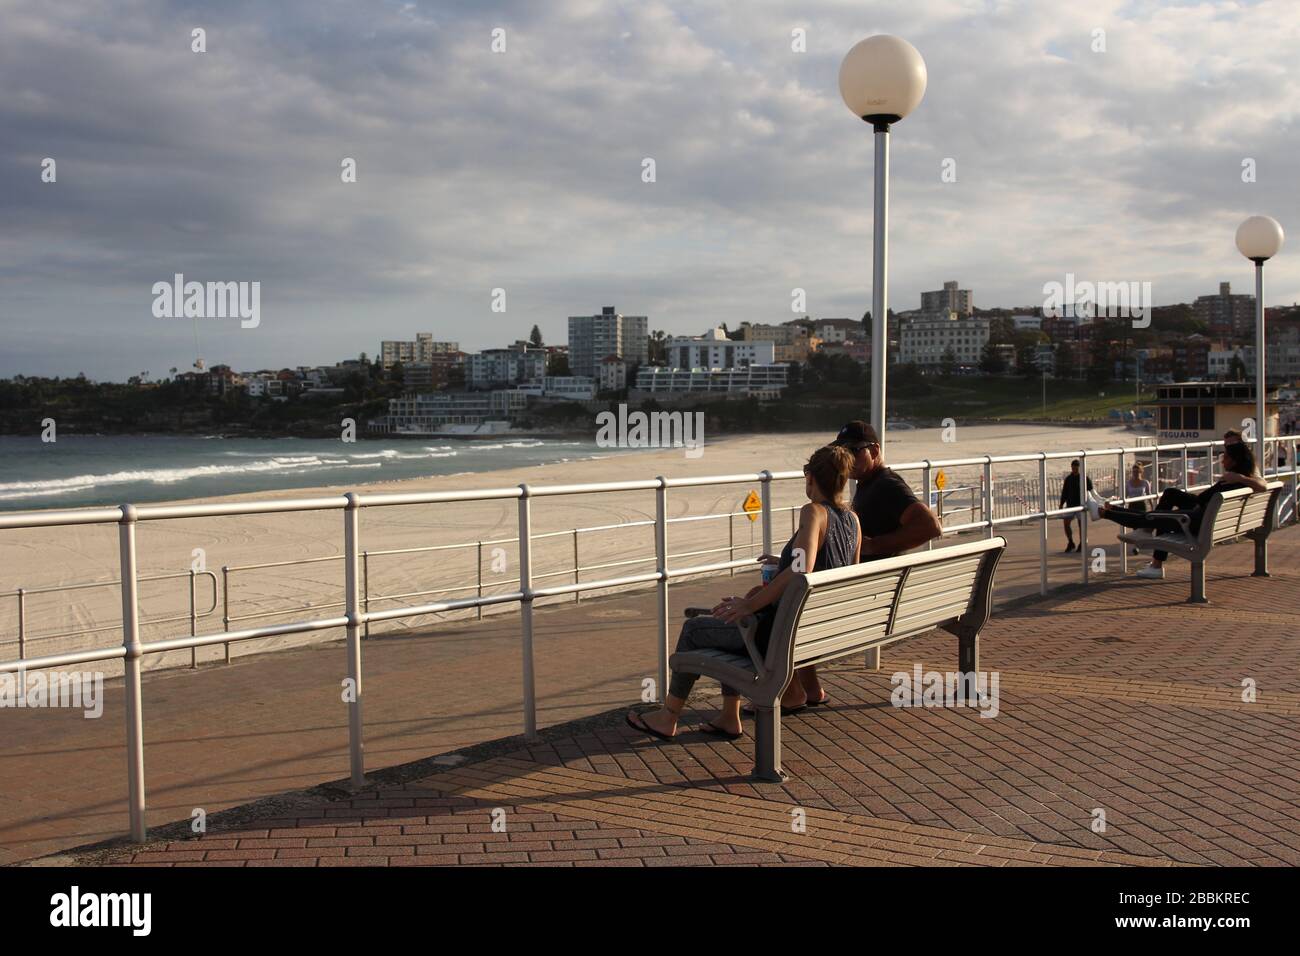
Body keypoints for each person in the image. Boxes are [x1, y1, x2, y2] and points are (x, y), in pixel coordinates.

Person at [626, 445, 861, 741]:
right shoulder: (853, 520)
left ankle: (667, 717)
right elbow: (844, 571)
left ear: (810, 478)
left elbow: (802, 569)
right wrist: (782, 563)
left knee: (695, 628)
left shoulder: (813, 512)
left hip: (782, 634)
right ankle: (728, 716)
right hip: (818, 630)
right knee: (730, 614)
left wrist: (750, 606)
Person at [766, 421, 941, 711]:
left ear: (874, 450)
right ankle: (811, 690)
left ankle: (783, 692)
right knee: (798, 599)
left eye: (855, 450)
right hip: (863, 599)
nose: (848, 457)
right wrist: (788, 559)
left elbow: (931, 526)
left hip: (861, 602)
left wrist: (876, 545)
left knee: (776, 608)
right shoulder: (866, 489)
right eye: (842, 451)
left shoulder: (888, 486)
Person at [1090, 442, 1267, 580]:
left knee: (1149, 517)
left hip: (1194, 523)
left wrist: (1236, 478)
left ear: (1235, 461)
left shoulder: (1231, 480)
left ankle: (1104, 513)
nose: (1222, 460)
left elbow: (1202, 498)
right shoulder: (1243, 479)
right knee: (1168, 495)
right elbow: (1263, 485)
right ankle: (1112, 510)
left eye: (1225, 457)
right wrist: (1241, 478)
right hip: (1206, 519)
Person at [1059, 459, 1094, 553]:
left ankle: (1082, 543)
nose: (1074, 469)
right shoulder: (1068, 479)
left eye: (1076, 467)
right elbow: (1065, 492)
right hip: (1070, 505)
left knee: (1081, 525)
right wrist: (1061, 504)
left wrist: (1093, 503)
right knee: (1066, 523)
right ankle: (1070, 542)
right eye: (1073, 467)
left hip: (1081, 505)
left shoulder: (1084, 478)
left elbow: (1091, 491)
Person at [1124, 462, 1151, 555]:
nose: (1135, 474)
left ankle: (1138, 545)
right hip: (1132, 506)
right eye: (1133, 472)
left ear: (1141, 472)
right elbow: (1125, 496)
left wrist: (1152, 507)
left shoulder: (1145, 482)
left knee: (1141, 527)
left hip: (1142, 506)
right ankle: (1136, 546)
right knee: (1135, 528)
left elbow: (1149, 495)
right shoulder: (1128, 483)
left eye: (1137, 472)